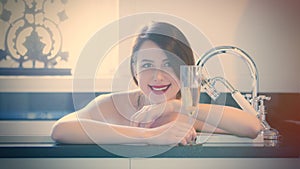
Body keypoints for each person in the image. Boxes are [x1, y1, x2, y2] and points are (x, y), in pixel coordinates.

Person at [51, 22, 262, 145]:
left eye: (168, 64)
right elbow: (61, 129)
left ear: (184, 69)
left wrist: (175, 106)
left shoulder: (186, 114)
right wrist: (151, 135)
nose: (158, 76)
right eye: (148, 64)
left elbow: (253, 127)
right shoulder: (115, 104)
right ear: (134, 68)